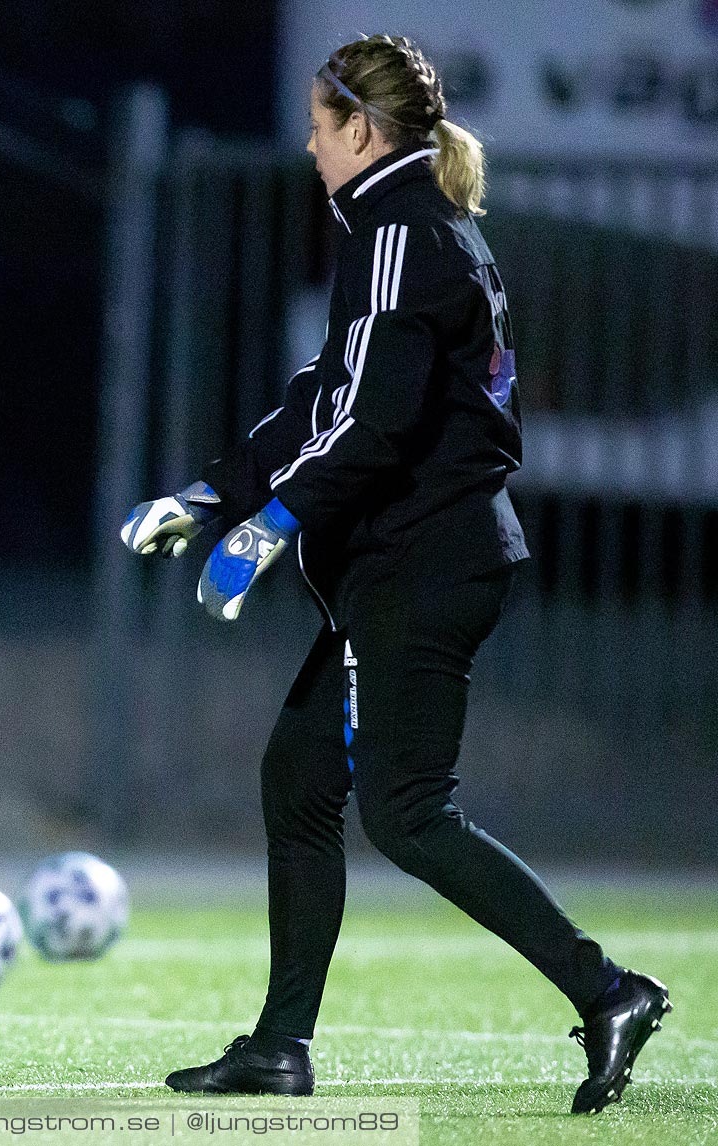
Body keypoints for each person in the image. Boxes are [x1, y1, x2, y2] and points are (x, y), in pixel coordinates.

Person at [118, 35, 669, 1115]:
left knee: (408, 813)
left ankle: (609, 991)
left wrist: (271, 520)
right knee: (300, 779)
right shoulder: (403, 228)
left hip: (426, 565)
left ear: (362, 130)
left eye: (323, 130)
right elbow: (329, 389)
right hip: (415, 563)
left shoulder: (401, 234)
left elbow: (372, 422)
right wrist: (213, 495)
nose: (312, 150)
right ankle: (280, 1046)